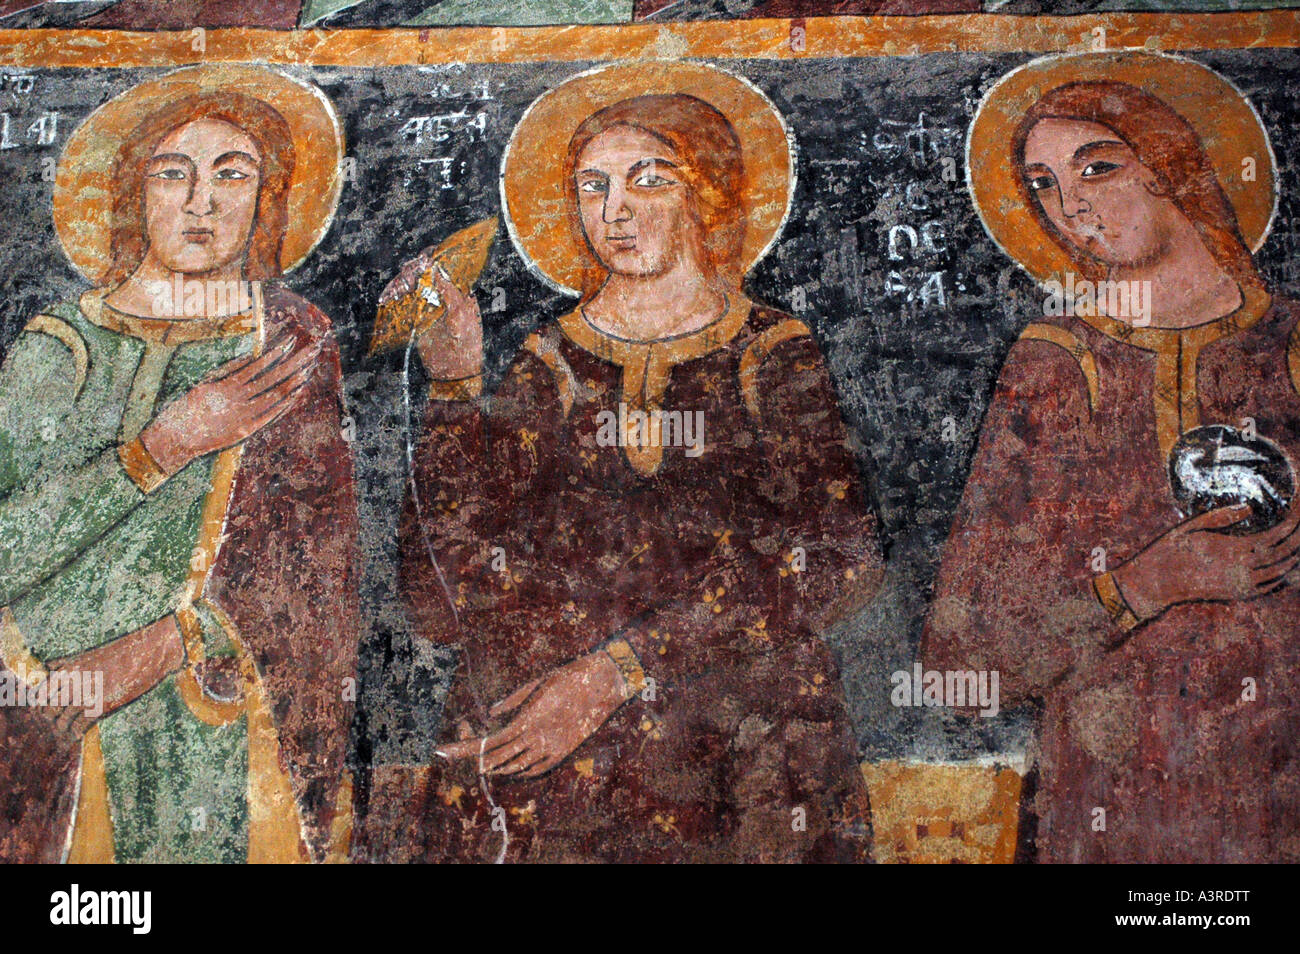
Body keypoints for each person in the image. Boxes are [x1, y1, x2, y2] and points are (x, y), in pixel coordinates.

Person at [361, 63, 881, 862]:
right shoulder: (547, 364)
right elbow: (442, 598)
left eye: (649, 180)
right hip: (556, 758)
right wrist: (457, 386)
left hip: (742, 742)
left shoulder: (771, 355)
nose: (616, 212)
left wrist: (617, 671)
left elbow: (837, 557)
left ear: (706, 195)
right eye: (593, 186)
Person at [924, 52, 1300, 862]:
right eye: (1046, 186)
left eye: (1098, 166)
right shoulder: (1057, 365)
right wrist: (1145, 585)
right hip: (1110, 802)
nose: (1073, 205)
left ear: (1171, 166)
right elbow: (961, 659)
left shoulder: (1293, 349)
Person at [0, 65, 359, 863]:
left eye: (232, 174)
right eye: (174, 173)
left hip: (222, 718)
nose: (201, 202)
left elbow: (317, 569)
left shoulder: (291, 343)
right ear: (135, 193)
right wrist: (163, 447)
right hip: (47, 710)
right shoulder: (61, 346)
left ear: (267, 198)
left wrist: (170, 641)